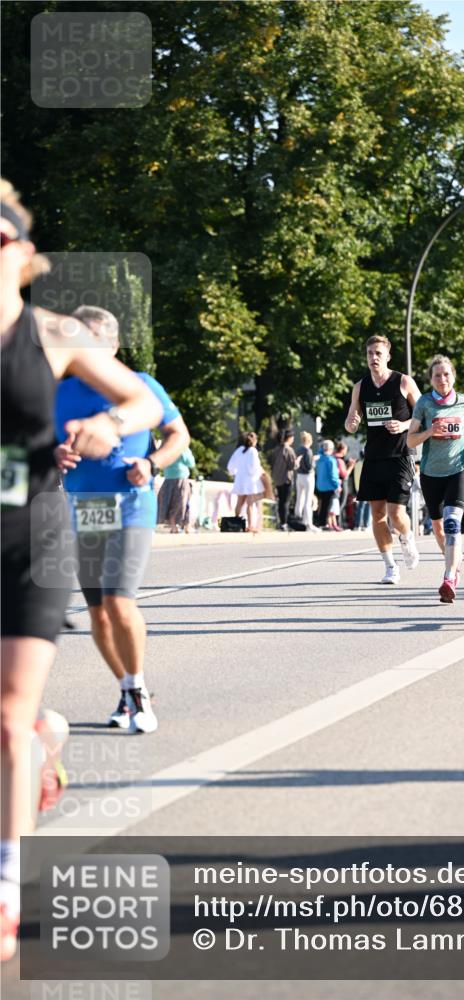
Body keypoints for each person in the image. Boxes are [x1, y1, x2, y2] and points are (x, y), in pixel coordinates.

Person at [0, 181, 162, 962]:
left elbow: (147, 406)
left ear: (25, 258)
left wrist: (106, 423)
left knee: (8, 710)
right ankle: (44, 740)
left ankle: (6, 887)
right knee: (17, 722)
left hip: (36, 532)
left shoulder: (55, 335)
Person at [54, 306, 190, 735]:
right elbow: (33, 442)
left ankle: (138, 692)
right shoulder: (60, 392)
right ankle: (127, 688)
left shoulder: (142, 386)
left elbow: (178, 435)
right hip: (84, 507)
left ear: (112, 344)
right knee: (97, 612)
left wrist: (151, 463)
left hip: (131, 504)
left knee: (119, 601)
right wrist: (52, 454)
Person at [407, 355, 464, 603]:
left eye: (446, 374)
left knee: (453, 523)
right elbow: (410, 440)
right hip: (431, 473)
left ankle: (449, 577)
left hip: (458, 469)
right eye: (437, 375)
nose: (442, 379)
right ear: (431, 379)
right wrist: (430, 431)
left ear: (453, 376)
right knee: (439, 528)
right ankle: (453, 562)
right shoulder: (424, 403)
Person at [344, 335, 420, 584]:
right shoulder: (360, 387)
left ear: (387, 356)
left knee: (396, 513)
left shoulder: (403, 382)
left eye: (378, 353)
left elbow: (425, 414)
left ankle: (407, 537)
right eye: (370, 354)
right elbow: (350, 423)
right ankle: (390, 566)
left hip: (400, 454)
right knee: (377, 514)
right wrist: (352, 423)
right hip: (374, 457)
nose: (373, 358)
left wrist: (404, 425)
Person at [227, 431, 264, 533]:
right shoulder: (253, 451)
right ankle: (251, 525)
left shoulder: (239, 450)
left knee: (240, 503)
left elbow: (230, 466)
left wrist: (235, 473)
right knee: (250, 504)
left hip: (240, 480)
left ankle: (236, 522)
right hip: (250, 481)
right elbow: (254, 468)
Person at [158, 445, 195, 532]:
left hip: (168, 478)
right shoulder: (183, 448)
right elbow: (191, 463)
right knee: (181, 503)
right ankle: (181, 526)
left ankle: (173, 525)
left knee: (169, 502)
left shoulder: (165, 447)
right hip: (180, 478)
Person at [269, 429, 296, 531]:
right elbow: (292, 465)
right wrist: (297, 462)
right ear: (289, 438)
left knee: (281, 501)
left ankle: (281, 522)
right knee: (286, 502)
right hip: (286, 478)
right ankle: (284, 523)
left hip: (277, 478)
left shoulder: (276, 449)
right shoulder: (288, 450)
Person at [294, 430, 318, 531]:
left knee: (299, 499)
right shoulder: (308, 451)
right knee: (308, 500)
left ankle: (298, 518)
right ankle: (308, 523)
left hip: (299, 476)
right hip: (308, 476)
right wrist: (314, 461)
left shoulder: (298, 449)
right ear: (309, 441)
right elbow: (309, 466)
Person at [314, 440, 340, 528]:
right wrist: (337, 485)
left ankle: (321, 523)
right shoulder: (331, 460)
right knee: (327, 506)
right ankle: (324, 523)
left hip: (320, 486)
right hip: (329, 486)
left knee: (323, 506)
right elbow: (333, 475)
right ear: (331, 449)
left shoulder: (319, 458)